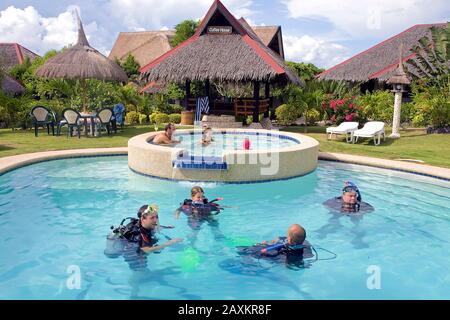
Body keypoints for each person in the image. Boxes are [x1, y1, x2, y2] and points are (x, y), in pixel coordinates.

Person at [236, 224, 314, 266]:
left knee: (243, 249)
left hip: (280, 258)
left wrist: (263, 244)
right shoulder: (306, 245)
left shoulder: (279, 250)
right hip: (294, 260)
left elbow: (276, 241)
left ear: (289, 239)